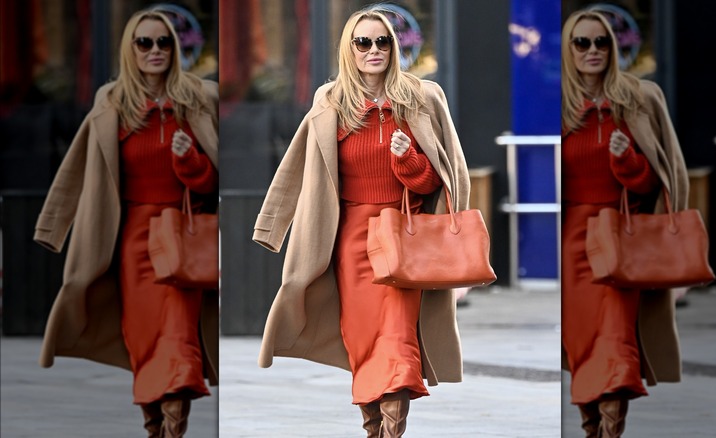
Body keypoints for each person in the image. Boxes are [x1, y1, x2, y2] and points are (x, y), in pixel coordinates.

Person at [252, 6, 469, 437]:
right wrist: (272, 226)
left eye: (382, 41)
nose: (374, 50)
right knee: (364, 341)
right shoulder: (330, 101)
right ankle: (374, 429)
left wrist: (407, 159)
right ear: (348, 50)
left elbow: (436, 182)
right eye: (363, 42)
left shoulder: (422, 97)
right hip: (348, 241)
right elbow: (297, 167)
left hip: (403, 239)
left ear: (394, 46)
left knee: (396, 339)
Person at [33, 9, 218, 438]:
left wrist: (188, 159)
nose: (155, 51)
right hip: (128, 239)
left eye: (164, 42)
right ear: (130, 50)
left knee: (177, 338)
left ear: (175, 47)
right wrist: (53, 227)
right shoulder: (112, 102)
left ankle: (173, 428)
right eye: (145, 43)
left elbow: (210, 182)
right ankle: (154, 425)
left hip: (180, 237)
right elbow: (76, 169)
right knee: (143, 340)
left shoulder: (196, 99)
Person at [560, 10, 689, 438]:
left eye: (602, 43)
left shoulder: (638, 97)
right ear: (569, 49)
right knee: (582, 346)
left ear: (614, 49)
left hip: (620, 236)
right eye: (583, 43)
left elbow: (660, 177)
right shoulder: (558, 107)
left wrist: (627, 160)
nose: (593, 51)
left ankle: (610, 432)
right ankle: (592, 427)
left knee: (616, 341)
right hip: (571, 240)